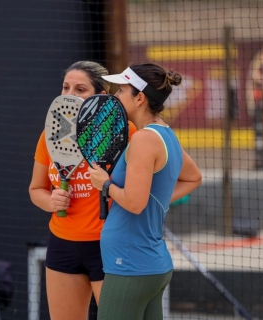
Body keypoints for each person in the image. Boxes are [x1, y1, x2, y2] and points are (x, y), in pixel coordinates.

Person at [88, 62, 202, 320]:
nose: (115, 97)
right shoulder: (165, 135)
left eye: (120, 91)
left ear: (139, 98)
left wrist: (105, 184)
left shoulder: (143, 139)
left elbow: (136, 203)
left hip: (130, 264)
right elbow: (194, 177)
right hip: (149, 266)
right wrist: (155, 200)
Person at [28, 60, 137, 320]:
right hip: (62, 246)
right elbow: (36, 190)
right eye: (65, 87)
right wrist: (51, 201)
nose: (69, 95)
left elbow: (142, 191)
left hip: (110, 246)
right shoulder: (50, 135)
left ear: (100, 96)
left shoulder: (124, 132)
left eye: (80, 89)